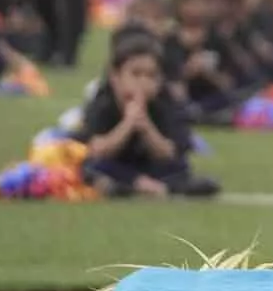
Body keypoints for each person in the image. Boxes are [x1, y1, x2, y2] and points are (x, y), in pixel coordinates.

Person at [79, 28, 220, 199]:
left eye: (151, 75)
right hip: (114, 165)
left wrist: (146, 126)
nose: (143, 82)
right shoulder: (102, 103)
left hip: (153, 167)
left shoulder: (166, 104)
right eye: (136, 74)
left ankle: (141, 186)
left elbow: (170, 152)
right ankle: (133, 185)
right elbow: (97, 149)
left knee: (193, 177)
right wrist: (128, 124)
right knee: (89, 169)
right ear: (115, 76)